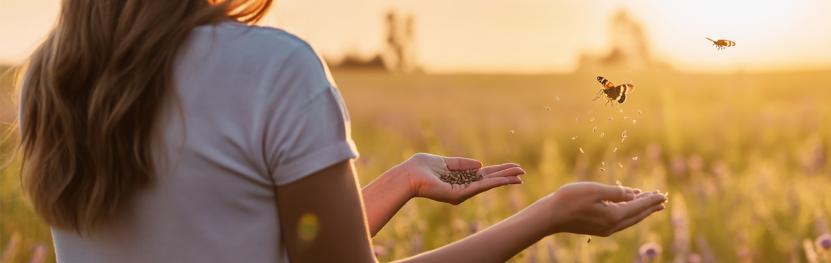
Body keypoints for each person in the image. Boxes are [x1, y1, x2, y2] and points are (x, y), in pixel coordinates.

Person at [16, 1, 668, 262]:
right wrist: (547, 215)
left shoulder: (52, 79)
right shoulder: (273, 69)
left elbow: (231, 240)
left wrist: (398, 182)